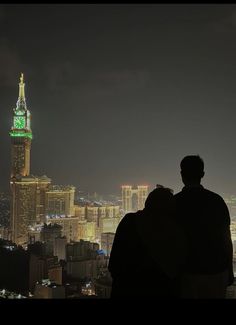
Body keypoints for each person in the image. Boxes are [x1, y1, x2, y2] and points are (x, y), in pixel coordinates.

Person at [108, 186, 187, 298]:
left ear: (147, 203)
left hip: (125, 290)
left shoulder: (129, 222)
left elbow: (114, 264)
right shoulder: (173, 231)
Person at [174, 155, 234, 298]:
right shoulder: (217, 201)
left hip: (185, 273)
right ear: (202, 174)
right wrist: (229, 271)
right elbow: (226, 239)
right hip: (216, 272)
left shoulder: (174, 203)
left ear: (182, 174)